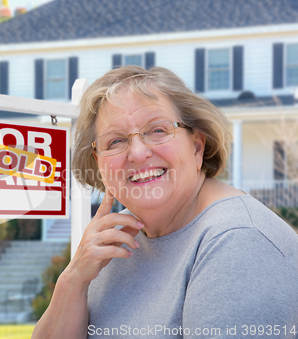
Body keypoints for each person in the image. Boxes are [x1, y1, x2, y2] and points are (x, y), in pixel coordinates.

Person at [31, 66, 298, 339]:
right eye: (115, 141)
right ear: (98, 164)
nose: (137, 153)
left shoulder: (237, 241)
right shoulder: (113, 242)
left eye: (157, 130)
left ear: (196, 147)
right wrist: (74, 278)